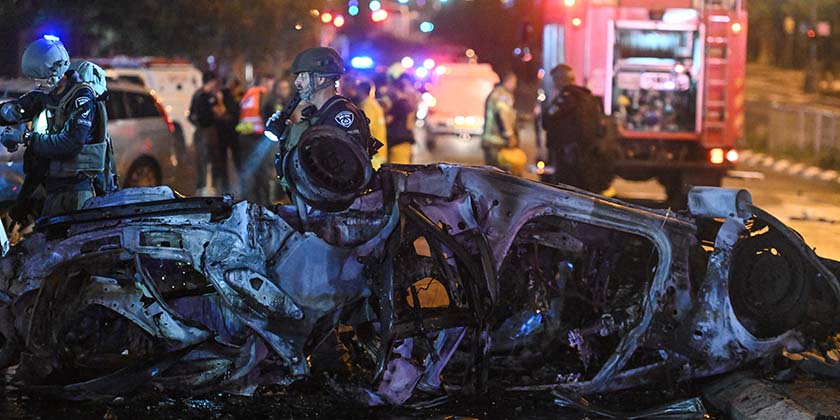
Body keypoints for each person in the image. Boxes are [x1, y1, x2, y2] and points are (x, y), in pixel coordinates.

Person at [0, 37, 111, 219]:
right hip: (49, 186)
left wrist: (24, 138)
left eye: (41, 80)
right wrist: (7, 111)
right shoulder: (45, 95)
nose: (38, 84)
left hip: (76, 191)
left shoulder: (81, 97)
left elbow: (70, 143)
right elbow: (17, 108)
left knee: (68, 243)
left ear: (56, 72)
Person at [273, 46, 380, 194]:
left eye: (303, 76)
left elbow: (343, 173)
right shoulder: (317, 114)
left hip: (337, 211)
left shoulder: (341, 115)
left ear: (320, 78)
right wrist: (287, 134)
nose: (297, 82)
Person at [541, 64, 609, 192]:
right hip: (590, 159)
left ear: (560, 80)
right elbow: (601, 129)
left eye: (555, 80)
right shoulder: (590, 99)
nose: (554, 84)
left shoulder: (564, 99)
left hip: (567, 160)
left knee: (565, 196)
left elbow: (546, 120)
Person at [236, 74, 276, 204]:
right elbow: (265, 113)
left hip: (244, 136)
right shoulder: (263, 94)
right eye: (270, 83)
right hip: (258, 137)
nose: (271, 87)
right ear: (263, 81)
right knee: (263, 171)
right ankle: (264, 203)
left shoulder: (249, 94)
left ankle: (247, 201)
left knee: (248, 169)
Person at [188, 70, 223, 195]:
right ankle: (211, 189)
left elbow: (190, 115)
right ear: (211, 82)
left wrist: (197, 124)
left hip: (201, 131)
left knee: (203, 162)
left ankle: (202, 189)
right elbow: (218, 113)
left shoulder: (197, 94)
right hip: (208, 131)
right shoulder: (208, 96)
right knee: (210, 160)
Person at [482, 72, 518, 170]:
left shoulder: (498, 93)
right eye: (514, 82)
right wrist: (510, 135)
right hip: (495, 141)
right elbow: (503, 115)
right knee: (496, 174)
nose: (515, 86)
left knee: (493, 173)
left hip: (493, 141)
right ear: (508, 82)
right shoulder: (502, 96)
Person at [215, 76, 242, 194]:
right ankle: (239, 185)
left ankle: (225, 188)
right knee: (236, 161)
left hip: (222, 133)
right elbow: (235, 113)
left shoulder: (220, 95)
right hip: (231, 133)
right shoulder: (228, 96)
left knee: (223, 163)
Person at [385, 75, 416, 164]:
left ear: (395, 89)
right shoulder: (407, 104)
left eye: (390, 88)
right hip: (405, 143)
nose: (388, 91)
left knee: (397, 173)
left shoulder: (399, 104)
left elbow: (387, 120)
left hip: (398, 144)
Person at [356, 81, 387, 169]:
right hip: (379, 151)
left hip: (373, 153)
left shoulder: (367, 106)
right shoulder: (375, 104)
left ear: (361, 90)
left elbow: (366, 127)